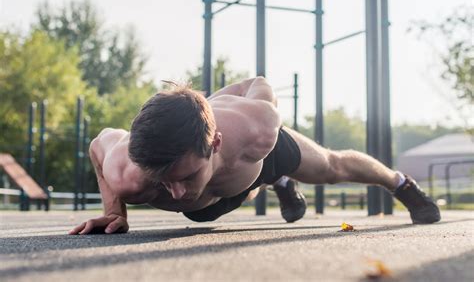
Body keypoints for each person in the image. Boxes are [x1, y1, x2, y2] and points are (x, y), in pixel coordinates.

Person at [69, 77, 440, 235]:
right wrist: (115, 212)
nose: (176, 194)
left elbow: (255, 82)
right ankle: (274, 183)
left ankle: (402, 184)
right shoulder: (128, 173)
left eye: (185, 176)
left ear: (214, 143)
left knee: (331, 166)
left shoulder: (257, 127)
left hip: (251, 157)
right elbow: (97, 144)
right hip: (220, 197)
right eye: (164, 180)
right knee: (230, 194)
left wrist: (212, 104)